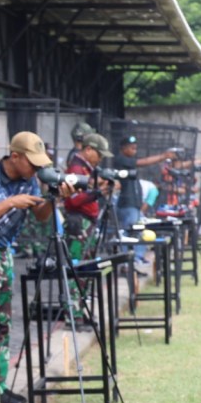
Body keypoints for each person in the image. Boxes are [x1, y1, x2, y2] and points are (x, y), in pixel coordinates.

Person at [0, 132, 71, 403]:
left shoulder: (29, 181)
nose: (37, 169)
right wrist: (10, 203)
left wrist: (52, 200)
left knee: (3, 324)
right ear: (15, 156)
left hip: (4, 254)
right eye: (33, 163)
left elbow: (40, 216)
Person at [62, 131, 113, 326]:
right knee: (77, 268)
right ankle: (73, 315)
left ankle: (80, 312)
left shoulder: (85, 168)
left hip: (86, 222)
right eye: (98, 154)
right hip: (79, 222)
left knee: (85, 269)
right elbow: (73, 200)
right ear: (88, 149)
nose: (100, 159)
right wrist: (97, 193)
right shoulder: (76, 168)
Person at [114, 135, 176, 270]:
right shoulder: (121, 160)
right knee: (129, 234)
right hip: (127, 203)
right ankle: (128, 261)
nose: (134, 149)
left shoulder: (128, 161)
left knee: (136, 232)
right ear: (123, 148)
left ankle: (134, 260)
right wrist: (162, 156)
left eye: (135, 147)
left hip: (133, 204)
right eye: (131, 147)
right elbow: (143, 162)